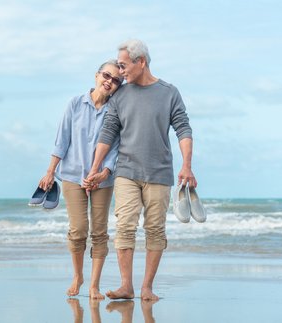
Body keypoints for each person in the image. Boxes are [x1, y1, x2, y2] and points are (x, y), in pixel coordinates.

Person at [84, 39, 196, 301]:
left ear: (141, 62)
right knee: (125, 227)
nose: (120, 72)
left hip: (159, 173)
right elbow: (108, 131)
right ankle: (126, 286)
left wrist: (187, 165)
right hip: (126, 171)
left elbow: (183, 129)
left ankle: (146, 287)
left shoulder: (169, 92)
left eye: (123, 66)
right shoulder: (120, 95)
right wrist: (95, 167)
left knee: (155, 230)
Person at [38, 60, 122, 299]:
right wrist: (50, 171)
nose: (110, 82)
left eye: (116, 80)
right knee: (78, 230)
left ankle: (94, 285)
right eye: (107, 75)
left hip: (102, 180)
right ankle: (78, 276)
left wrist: (105, 172)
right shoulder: (75, 104)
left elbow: (116, 147)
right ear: (96, 75)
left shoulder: (115, 110)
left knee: (99, 231)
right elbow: (61, 140)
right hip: (73, 176)